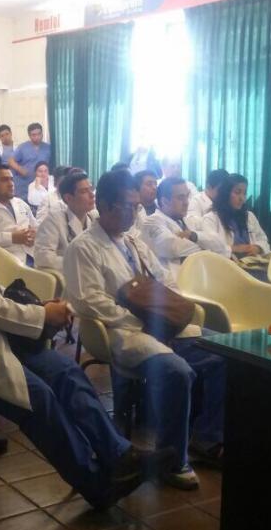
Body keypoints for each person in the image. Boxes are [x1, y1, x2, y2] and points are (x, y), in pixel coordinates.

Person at [0, 175, 161, 508]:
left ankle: (120, 454)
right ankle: (97, 483)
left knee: (66, 371)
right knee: (38, 397)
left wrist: (40, 308)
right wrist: (44, 317)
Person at [64, 169, 227, 490]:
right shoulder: (83, 248)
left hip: (160, 325)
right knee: (178, 372)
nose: (135, 212)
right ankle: (173, 457)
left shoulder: (134, 242)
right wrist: (143, 321)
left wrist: (167, 311)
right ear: (106, 206)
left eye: (137, 206)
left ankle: (207, 437)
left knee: (227, 352)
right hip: (124, 333)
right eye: (128, 206)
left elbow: (163, 280)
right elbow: (88, 302)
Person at [142, 177, 230, 278]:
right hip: (171, 285)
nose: (186, 202)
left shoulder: (190, 220)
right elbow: (173, 247)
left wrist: (193, 236)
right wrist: (207, 248)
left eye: (187, 196)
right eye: (180, 198)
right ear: (165, 201)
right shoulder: (151, 222)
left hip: (200, 278)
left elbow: (220, 244)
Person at [34, 171, 96, 271]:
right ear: (68, 198)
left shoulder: (95, 219)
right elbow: (42, 257)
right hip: (69, 277)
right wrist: (78, 262)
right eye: (84, 191)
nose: (92, 195)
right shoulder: (54, 221)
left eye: (91, 189)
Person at [201, 174, 271, 259]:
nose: (242, 198)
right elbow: (210, 248)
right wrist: (234, 249)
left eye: (244, 193)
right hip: (225, 266)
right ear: (225, 193)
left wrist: (258, 247)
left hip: (251, 263)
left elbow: (263, 239)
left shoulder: (249, 216)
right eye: (237, 192)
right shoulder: (211, 218)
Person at [0, 164, 37, 264]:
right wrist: (11, 238)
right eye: (4, 180)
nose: (11, 184)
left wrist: (34, 234)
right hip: (5, 264)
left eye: (11, 179)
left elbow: (35, 227)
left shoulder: (21, 203)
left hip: (31, 256)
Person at [12, 123, 52, 201]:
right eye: (34, 135)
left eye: (39, 134)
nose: (37, 137)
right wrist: (19, 169)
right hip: (24, 185)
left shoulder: (48, 148)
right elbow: (11, 161)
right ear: (29, 136)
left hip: (41, 185)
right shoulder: (23, 147)